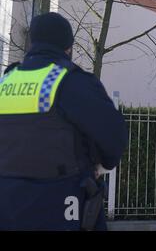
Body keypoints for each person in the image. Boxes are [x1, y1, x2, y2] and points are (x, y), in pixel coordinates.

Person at [0, 12, 128, 230]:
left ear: (32, 42)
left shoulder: (6, 82)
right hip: (58, 207)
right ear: (68, 47)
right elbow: (114, 138)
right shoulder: (70, 81)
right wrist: (100, 163)